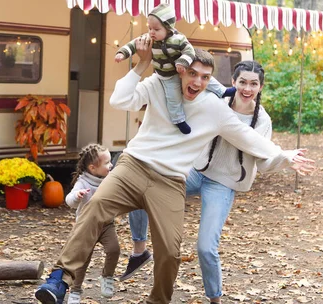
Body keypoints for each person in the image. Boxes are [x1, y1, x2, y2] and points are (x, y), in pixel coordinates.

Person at [35, 41, 314, 304]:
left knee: (170, 252)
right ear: (181, 70)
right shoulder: (159, 84)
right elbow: (120, 100)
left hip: (170, 182)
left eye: (205, 77)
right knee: (94, 207)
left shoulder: (215, 109)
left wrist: (284, 156)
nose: (197, 82)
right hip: (133, 166)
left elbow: (249, 138)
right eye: (193, 73)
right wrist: (140, 65)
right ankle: (60, 280)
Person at [121, 61, 313, 303]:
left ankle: (215, 299)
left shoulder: (262, 120)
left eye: (253, 84)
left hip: (223, 183)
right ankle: (139, 251)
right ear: (233, 83)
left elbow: (263, 163)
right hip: (195, 170)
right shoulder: (217, 102)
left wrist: (285, 158)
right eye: (242, 82)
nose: (247, 88)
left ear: (260, 87)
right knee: (142, 191)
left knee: (205, 248)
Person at [114, 3, 234, 134]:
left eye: (156, 29)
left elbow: (189, 51)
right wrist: (123, 53)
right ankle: (178, 119)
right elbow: (132, 44)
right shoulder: (150, 40)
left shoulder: (178, 39)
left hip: (180, 68)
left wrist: (183, 63)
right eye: (150, 28)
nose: (151, 32)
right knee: (173, 97)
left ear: (168, 28)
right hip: (166, 76)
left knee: (208, 79)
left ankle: (222, 91)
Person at [61, 143, 119, 304]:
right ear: (93, 168)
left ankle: (107, 277)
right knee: (83, 259)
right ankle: (75, 291)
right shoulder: (83, 182)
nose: (111, 165)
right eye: (107, 163)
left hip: (106, 224)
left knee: (114, 249)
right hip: (86, 227)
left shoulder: (110, 179)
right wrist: (77, 196)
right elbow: (69, 201)